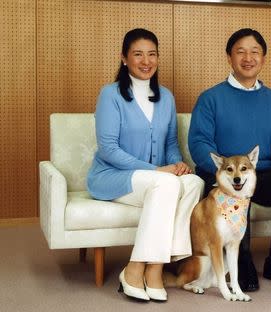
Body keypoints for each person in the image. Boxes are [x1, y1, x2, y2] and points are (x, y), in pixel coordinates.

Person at [87, 28, 204, 302]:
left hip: (154, 181)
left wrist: (177, 165)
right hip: (113, 177)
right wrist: (158, 171)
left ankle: (156, 267)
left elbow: (171, 145)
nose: (146, 61)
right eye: (138, 54)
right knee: (165, 182)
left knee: (194, 182)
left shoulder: (166, 97)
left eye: (152, 54)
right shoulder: (110, 95)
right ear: (124, 58)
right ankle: (136, 269)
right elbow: (109, 149)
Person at [188, 28, 271, 291]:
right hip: (223, 175)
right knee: (234, 191)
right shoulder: (210, 98)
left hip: (260, 173)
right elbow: (199, 143)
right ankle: (241, 261)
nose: (248, 57)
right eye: (240, 51)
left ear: (263, 59)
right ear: (229, 58)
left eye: (255, 52)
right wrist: (225, 174)